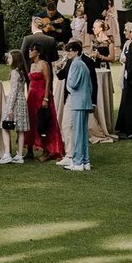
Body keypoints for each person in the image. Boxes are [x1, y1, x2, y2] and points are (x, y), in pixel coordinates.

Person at [25, 42, 64, 161]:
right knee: (32, 122)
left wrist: (46, 98)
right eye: (30, 49)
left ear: (39, 52)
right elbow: (31, 82)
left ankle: (49, 150)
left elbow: (48, 81)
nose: (30, 51)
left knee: (46, 121)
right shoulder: (32, 65)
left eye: (32, 50)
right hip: (32, 96)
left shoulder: (44, 64)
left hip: (42, 95)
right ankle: (30, 149)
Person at [59, 40, 93, 172]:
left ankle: (78, 161)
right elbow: (89, 85)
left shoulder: (76, 64)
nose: (67, 53)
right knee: (83, 133)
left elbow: (72, 84)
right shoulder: (82, 64)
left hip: (77, 102)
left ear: (76, 51)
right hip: (84, 101)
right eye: (67, 51)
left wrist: (68, 87)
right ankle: (85, 161)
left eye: (70, 51)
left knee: (78, 133)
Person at [0, 49, 30, 164]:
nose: (8, 60)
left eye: (10, 58)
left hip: (15, 102)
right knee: (20, 130)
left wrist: (10, 107)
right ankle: (19, 154)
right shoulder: (22, 72)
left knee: (4, 126)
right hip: (22, 101)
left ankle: (7, 153)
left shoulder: (14, 73)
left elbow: (14, 91)